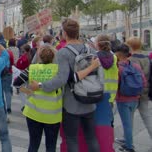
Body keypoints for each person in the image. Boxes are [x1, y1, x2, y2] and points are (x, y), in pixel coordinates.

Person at [28, 19, 102, 152]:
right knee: (91, 138)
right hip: (90, 98)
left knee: (72, 139)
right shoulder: (90, 49)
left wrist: (40, 85)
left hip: (72, 102)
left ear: (65, 34)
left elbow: (61, 80)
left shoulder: (64, 53)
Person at [17, 46, 62, 152]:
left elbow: (16, 83)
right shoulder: (58, 70)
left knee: (33, 144)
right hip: (52, 114)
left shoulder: (31, 68)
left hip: (33, 112)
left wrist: (29, 92)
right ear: (53, 57)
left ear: (39, 57)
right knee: (51, 146)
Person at [115, 43, 147, 152]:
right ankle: (128, 141)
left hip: (123, 99)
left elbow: (116, 84)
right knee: (129, 122)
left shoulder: (118, 67)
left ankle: (129, 147)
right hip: (135, 98)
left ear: (118, 54)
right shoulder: (135, 66)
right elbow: (143, 81)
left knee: (126, 124)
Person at [126, 37, 152, 141]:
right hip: (145, 90)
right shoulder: (147, 58)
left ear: (130, 47)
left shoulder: (130, 60)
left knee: (129, 117)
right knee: (147, 116)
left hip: (133, 92)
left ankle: (128, 140)